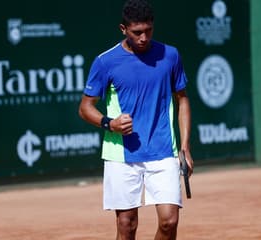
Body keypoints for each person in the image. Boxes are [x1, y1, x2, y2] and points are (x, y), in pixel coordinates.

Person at [78, 0, 193, 239]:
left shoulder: (170, 55)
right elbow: (85, 108)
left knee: (169, 222)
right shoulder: (105, 61)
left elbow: (182, 100)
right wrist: (110, 123)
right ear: (123, 29)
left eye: (148, 31)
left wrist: (185, 147)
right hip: (121, 155)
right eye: (136, 32)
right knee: (126, 225)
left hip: (164, 151)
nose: (143, 38)